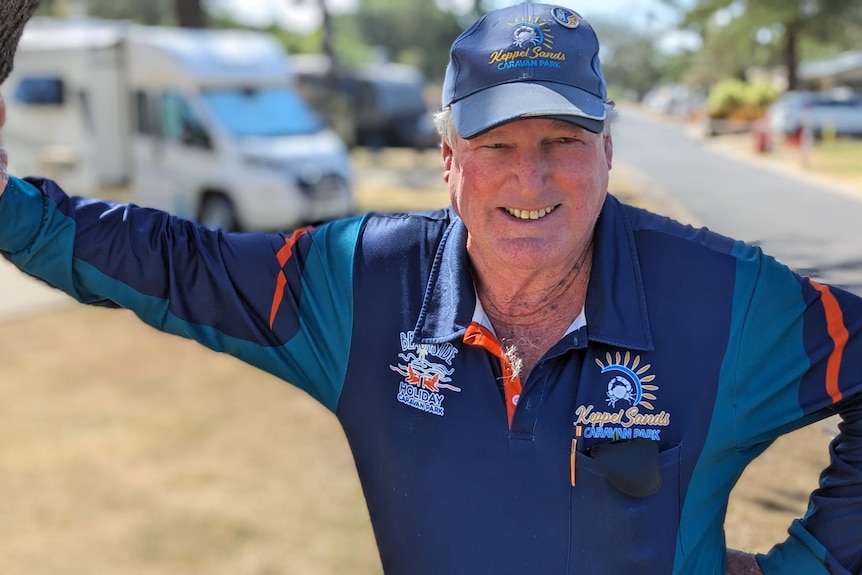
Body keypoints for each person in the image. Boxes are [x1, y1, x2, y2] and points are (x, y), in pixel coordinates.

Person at [0, 3, 860, 574]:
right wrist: (8, 208)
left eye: (562, 137)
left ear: (607, 150)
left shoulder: (723, 298)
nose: (532, 176)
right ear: (449, 161)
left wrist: (812, 563)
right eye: (495, 144)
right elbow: (174, 264)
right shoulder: (362, 282)